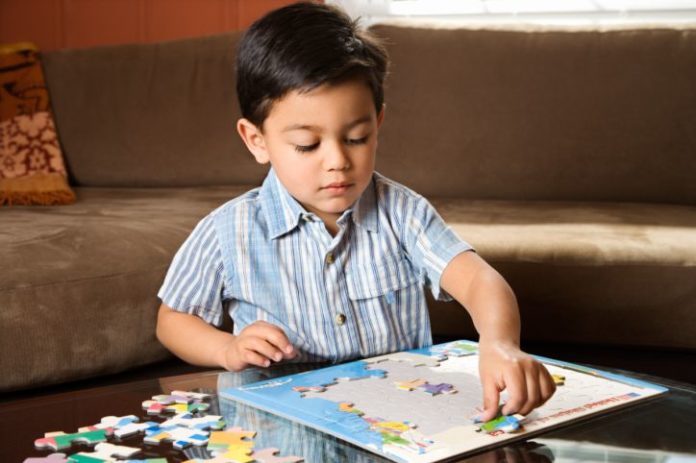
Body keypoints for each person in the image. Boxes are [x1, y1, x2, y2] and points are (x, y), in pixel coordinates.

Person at [156, 2, 555, 422]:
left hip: (398, 422)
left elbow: (479, 280)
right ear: (256, 140)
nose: (337, 161)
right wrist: (225, 349)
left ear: (377, 124)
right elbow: (173, 319)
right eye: (307, 145)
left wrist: (500, 343)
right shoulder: (227, 231)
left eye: (357, 138)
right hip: (283, 428)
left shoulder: (402, 213)